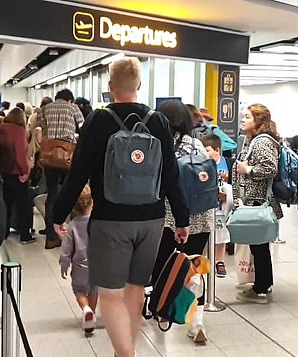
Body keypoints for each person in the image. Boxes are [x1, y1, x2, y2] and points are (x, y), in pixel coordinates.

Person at [51, 57, 190, 357]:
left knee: (111, 295)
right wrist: (181, 218)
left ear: (111, 86)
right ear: (138, 85)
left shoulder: (98, 121)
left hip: (110, 219)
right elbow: (171, 175)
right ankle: (125, 351)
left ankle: (126, 353)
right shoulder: (158, 121)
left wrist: (58, 213)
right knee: (135, 289)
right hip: (151, 220)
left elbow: (78, 173)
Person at [149, 100, 212, 344]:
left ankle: (163, 311)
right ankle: (197, 322)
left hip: (168, 217)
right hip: (200, 217)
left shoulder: (158, 145)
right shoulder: (197, 144)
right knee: (194, 267)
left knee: (163, 267)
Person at [233, 104, 280, 304]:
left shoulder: (261, 142)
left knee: (259, 248)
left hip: (257, 202)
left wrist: (248, 170)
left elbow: (270, 168)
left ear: (258, 121)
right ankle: (263, 283)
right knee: (259, 248)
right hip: (253, 201)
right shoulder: (251, 141)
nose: (243, 120)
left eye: (247, 117)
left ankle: (260, 288)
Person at [37, 89, 84, 249]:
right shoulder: (73, 108)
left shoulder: (44, 109)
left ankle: (51, 237)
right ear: (70, 100)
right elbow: (83, 128)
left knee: (52, 194)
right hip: (67, 156)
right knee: (71, 193)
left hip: (49, 157)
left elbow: (41, 130)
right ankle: (70, 236)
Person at [0, 107, 35, 244]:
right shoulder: (18, 131)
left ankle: (3, 233)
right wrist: (25, 171)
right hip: (16, 173)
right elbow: (20, 154)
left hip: (3, 172)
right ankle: (25, 234)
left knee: (7, 204)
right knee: (25, 205)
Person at [59, 185, 98, 335]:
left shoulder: (73, 225)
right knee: (94, 289)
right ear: (92, 202)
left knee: (79, 290)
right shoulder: (98, 222)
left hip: (80, 266)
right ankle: (91, 314)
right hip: (97, 265)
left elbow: (66, 249)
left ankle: (86, 309)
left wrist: (64, 265)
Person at [201, 134, 234, 277]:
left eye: (208, 150)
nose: (205, 153)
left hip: (223, 207)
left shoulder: (228, 163)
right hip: (207, 205)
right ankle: (203, 260)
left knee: (221, 233)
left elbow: (235, 183)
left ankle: (219, 261)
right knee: (205, 232)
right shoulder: (201, 164)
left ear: (217, 150)